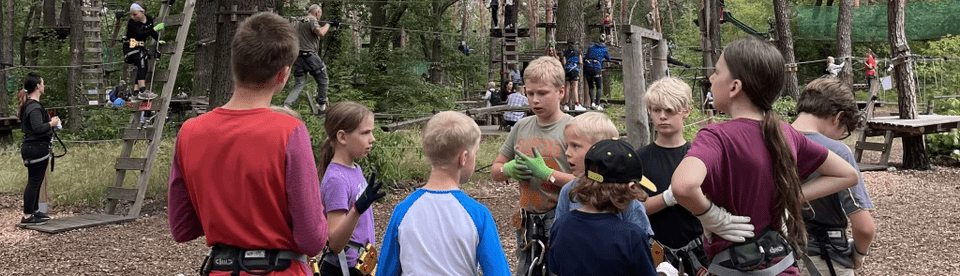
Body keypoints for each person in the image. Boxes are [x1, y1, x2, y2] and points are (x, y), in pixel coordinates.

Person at [670, 39, 860, 276]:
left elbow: (683, 185)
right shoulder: (786, 133)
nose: (710, 78)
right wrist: (787, 199)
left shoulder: (715, 136)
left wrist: (710, 216)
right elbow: (848, 174)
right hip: (782, 266)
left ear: (734, 87)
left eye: (717, 71)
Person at [168, 13, 329, 276]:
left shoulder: (190, 132)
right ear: (283, 74)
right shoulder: (289, 132)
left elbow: (183, 228)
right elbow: (312, 240)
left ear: (234, 65)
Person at [377, 111, 510, 276]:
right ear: (463, 158)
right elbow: (498, 272)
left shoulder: (402, 211)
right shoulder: (478, 214)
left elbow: (385, 271)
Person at [491, 56, 577, 276]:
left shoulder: (573, 129)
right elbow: (495, 170)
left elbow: (588, 183)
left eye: (542, 93)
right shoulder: (521, 127)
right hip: (528, 223)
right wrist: (507, 169)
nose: (535, 100)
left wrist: (548, 175)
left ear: (561, 91)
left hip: (563, 220)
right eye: (530, 93)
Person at [791, 79, 876, 276]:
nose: (838, 139)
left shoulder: (771, 140)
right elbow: (864, 227)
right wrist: (859, 254)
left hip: (775, 257)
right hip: (824, 258)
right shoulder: (837, 152)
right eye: (842, 133)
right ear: (837, 117)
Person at [547, 138, 658, 276]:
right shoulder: (631, 237)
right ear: (630, 188)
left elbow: (556, 268)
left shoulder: (560, 226)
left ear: (585, 179)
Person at [637, 77, 708, 276]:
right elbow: (634, 210)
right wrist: (667, 198)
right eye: (656, 110)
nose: (662, 116)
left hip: (698, 252)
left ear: (686, 112)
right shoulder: (639, 159)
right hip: (654, 252)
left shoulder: (699, 156)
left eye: (669, 110)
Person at [316, 102, 386, 276]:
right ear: (342, 137)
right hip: (342, 269)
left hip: (359, 266)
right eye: (365, 132)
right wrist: (358, 208)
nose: (372, 138)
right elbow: (335, 243)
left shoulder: (354, 168)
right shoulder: (336, 179)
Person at [555, 112, 654, 236]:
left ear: (601, 150)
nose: (567, 153)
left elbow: (641, 239)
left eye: (575, 146)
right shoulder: (568, 191)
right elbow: (558, 233)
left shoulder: (624, 193)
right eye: (567, 146)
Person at [17, 72, 59, 225]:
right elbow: (37, 128)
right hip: (35, 148)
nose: (44, 86)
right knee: (34, 181)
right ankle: (28, 215)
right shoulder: (34, 107)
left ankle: (34, 211)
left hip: (34, 147)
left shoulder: (31, 105)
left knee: (36, 180)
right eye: (42, 83)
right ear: (37, 87)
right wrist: (51, 124)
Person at [283, 4, 340, 112]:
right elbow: (321, 32)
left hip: (298, 58)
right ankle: (322, 105)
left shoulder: (297, 22)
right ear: (317, 12)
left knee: (299, 84)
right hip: (310, 57)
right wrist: (329, 24)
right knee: (323, 79)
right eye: (320, 14)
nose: (320, 17)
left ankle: (287, 104)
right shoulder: (312, 20)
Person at [124, 1, 163, 100]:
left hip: (140, 47)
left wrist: (158, 39)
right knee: (141, 60)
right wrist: (153, 29)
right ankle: (142, 90)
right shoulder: (131, 23)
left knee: (144, 65)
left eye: (135, 14)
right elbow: (140, 34)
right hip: (130, 47)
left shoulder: (149, 19)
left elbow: (151, 32)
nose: (133, 16)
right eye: (131, 14)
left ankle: (136, 91)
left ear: (143, 12)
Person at [583, 38, 611, 110]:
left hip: (588, 68)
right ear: (604, 42)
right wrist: (602, 59)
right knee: (599, 87)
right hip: (597, 68)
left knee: (591, 86)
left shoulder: (591, 47)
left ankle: (592, 102)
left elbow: (585, 57)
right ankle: (597, 104)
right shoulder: (604, 49)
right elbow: (609, 59)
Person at [562, 41, 585, 111]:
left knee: (567, 88)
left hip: (568, 70)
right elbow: (581, 62)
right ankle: (577, 104)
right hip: (575, 70)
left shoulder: (565, 52)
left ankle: (566, 105)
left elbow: (564, 62)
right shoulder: (578, 51)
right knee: (575, 87)